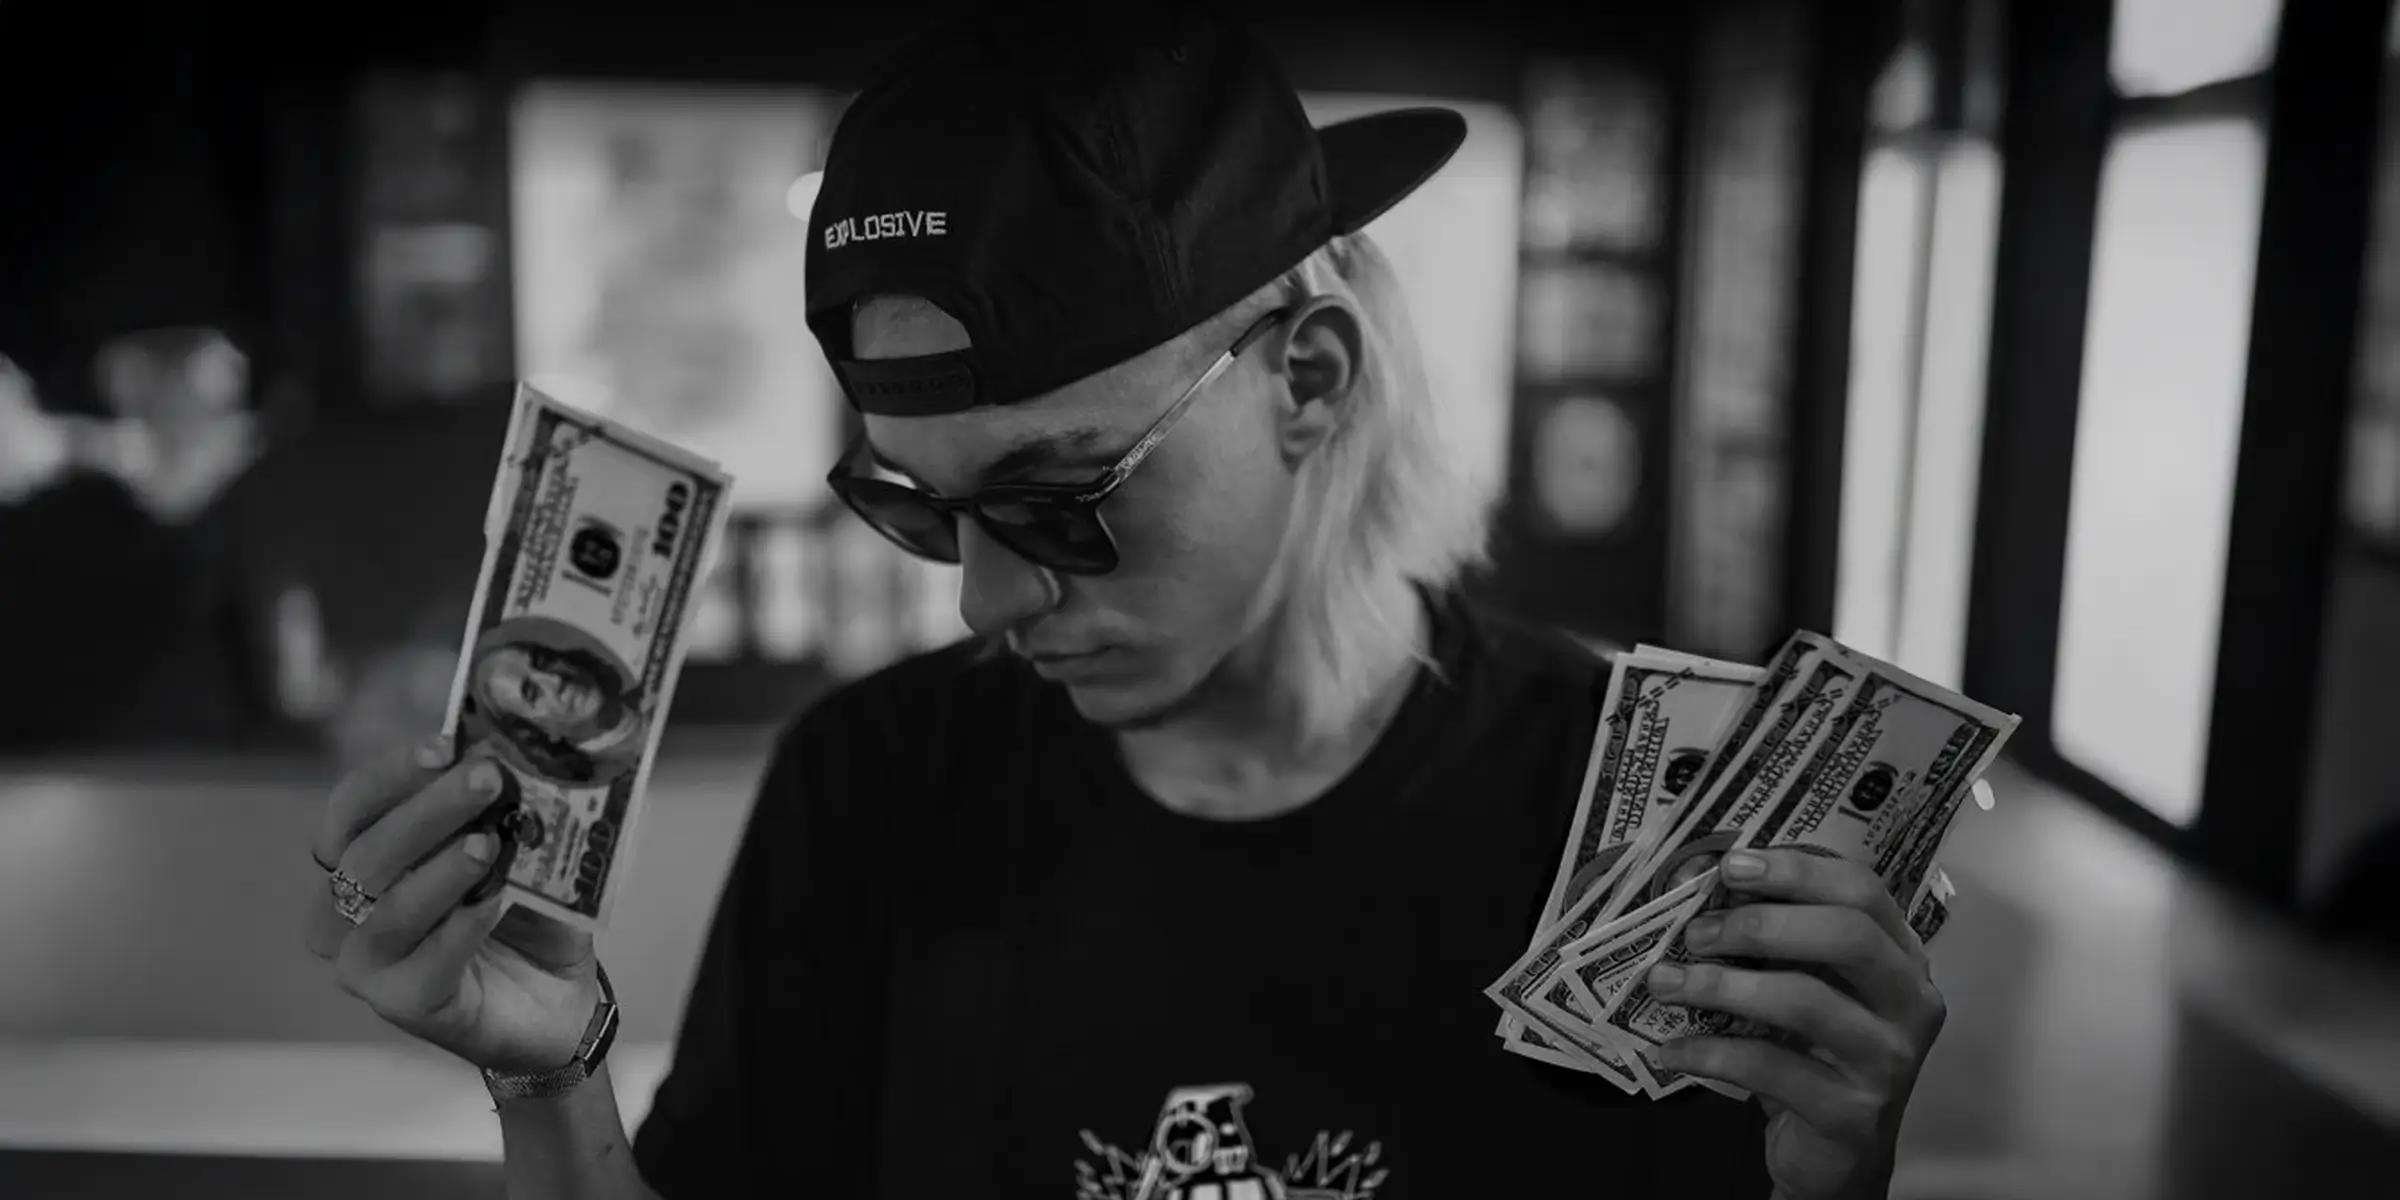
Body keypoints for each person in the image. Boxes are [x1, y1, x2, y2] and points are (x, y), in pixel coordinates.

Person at [305, 6, 1950, 1198]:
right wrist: (550, 1076)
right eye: (919, 506)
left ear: (1306, 382)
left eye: (1064, 500)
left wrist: (1827, 1186)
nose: (985, 603)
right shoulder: (874, 787)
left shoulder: (1643, 839)